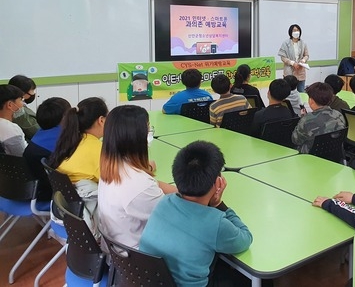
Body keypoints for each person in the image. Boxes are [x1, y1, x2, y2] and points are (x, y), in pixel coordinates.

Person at [139, 141, 253, 287]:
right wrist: (219, 204)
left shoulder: (164, 202)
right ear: (218, 182)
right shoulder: (215, 223)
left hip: (149, 282)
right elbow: (245, 239)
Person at [98, 105, 177, 249]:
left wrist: (180, 191)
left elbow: (153, 185)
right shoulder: (140, 186)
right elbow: (176, 219)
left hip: (118, 251)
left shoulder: (111, 167)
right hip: (139, 262)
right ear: (137, 136)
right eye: (147, 128)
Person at [48, 97, 108, 234]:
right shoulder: (96, 148)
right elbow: (115, 182)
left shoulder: (72, 140)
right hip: (84, 216)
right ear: (101, 120)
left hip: (63, 210)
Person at [23, 97, 71, 201]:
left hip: (31, 190)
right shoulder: (62, 140)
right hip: (50, 193)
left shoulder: (40, 133)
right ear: (64, 118)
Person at [291, 82, 346, 153]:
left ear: (311, 101)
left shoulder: (307, 120)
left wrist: (302, 119)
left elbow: (295, 140)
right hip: (333, 154)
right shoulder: (338, 115)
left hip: (310, 156)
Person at [278, 24, 309, 92]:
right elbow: (283, 57)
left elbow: (306, 55)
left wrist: (303, 60)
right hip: (289, 72)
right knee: (289, 93)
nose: (296, 32)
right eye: (294, 30)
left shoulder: (303, 43)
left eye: (298, 30)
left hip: (300, 71)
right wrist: (292, 63)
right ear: (290, 32)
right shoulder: (285, 43)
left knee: (301, 92)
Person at [8, 75, 40, 140]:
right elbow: (35, 130)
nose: (33, 93)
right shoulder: (18, 111)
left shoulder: (8, 104)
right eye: (32, 90)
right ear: (22, 93)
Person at [0, 84, 29, 156]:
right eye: (21, 100)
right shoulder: (11, 129)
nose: (23, 104)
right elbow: (22, 156)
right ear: (10, 105)